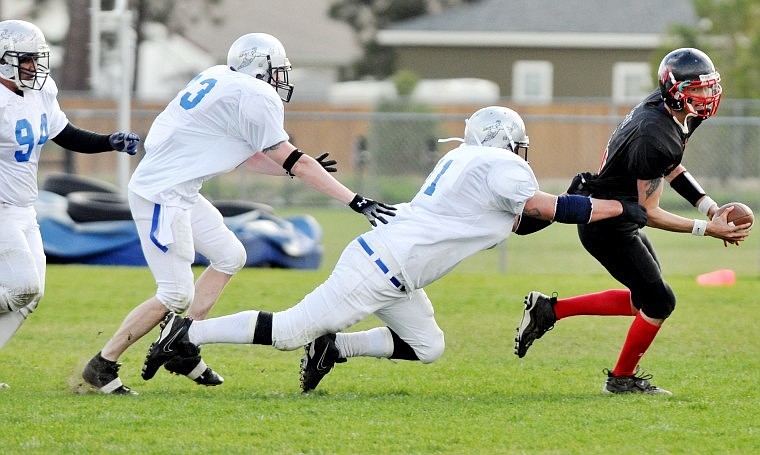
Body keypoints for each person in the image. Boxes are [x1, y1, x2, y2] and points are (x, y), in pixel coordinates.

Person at [139, 105, 649, 394]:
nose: (523, 154)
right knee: (291, 330)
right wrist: (617, 208)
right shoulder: (500, 166)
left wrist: (584, 198)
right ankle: (187, 332)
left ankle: (335, 347)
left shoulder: (468, 163)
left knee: (428, 347)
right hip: (383, 267)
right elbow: (552, 207)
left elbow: (525, 219)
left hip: (396, 269)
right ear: (507, 142)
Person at [81, 32, 395, 395]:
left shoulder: (220, 78)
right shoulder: (254, 93)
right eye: (277, 70)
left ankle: (181, 345)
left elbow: (252, 155)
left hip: (178, 189)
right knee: (174, 294)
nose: (281, 79)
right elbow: (290, 158)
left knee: (230, 255)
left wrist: (296, 167)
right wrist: (354, 199)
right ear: (260, 68)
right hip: (161, 196)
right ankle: (103, 364)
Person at [514, 48, 751, 395]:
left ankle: (548, 310)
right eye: (696, 90)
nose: (705, 96)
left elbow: (670, 166)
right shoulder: (653, 132)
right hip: (606, 222)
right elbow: (651, 211)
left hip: (618, 214)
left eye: (708, 87)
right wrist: (708, 229)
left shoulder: (671, 110)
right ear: (674, 90)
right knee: (659, 301)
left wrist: (709, 207)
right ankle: (621, 379)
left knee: (645, 298)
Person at [0, 20, 139, 389]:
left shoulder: (41, 90)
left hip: (23, 207)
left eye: (36, 58)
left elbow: (65, 134)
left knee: (31, 297)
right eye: (25, 59)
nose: (34, 67)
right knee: (22, 288)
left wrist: (109, 140)